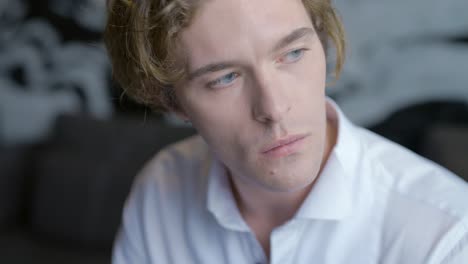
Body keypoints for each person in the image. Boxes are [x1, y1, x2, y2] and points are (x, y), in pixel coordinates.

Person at [104, 0, 468, 263]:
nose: (274, 109)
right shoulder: (159, 192)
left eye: (292, 54)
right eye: (224, 78)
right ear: (173, 103)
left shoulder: (448, 238)